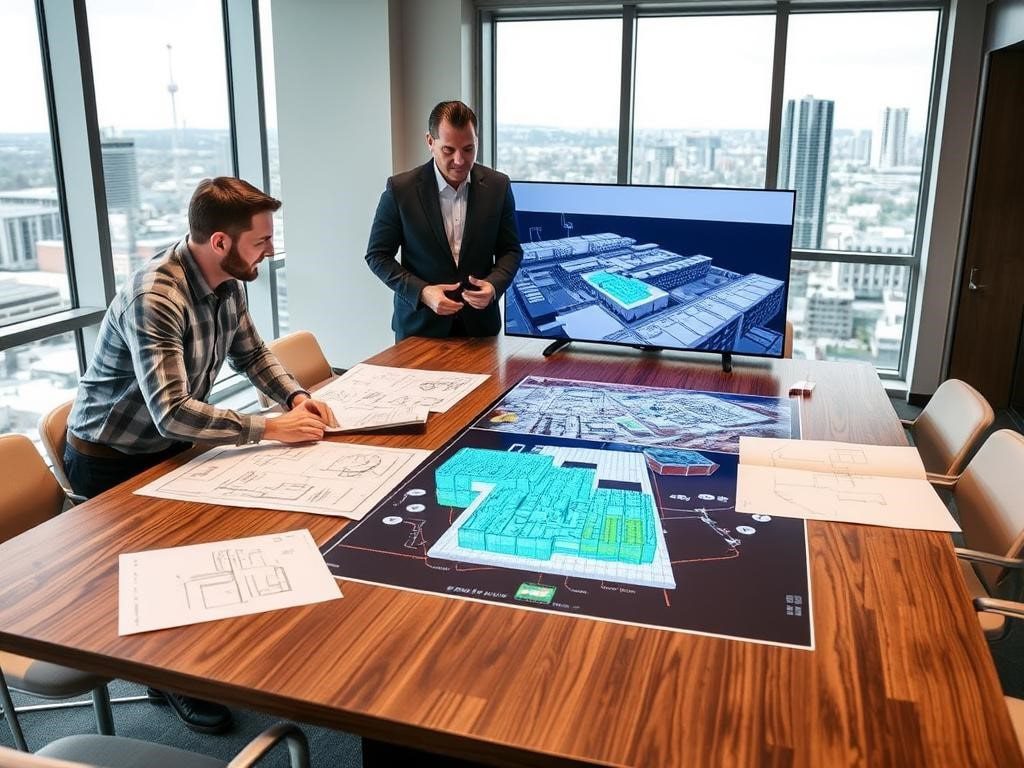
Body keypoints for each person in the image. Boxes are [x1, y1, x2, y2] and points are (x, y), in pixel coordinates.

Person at [65, 177, 335, 734]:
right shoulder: (155, 298)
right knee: (167, 572)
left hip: (167, 447)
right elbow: (172, 411)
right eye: (261, 241)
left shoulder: (228, 280)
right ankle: (170, 679)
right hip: (111, 460)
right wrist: (269, 427)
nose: (270, 250)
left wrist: (296, 396)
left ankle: (209, 657)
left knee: (217, 541)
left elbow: (252, 354)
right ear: (220, 242)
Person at [365, 100, 523, 340]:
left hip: (480, 330)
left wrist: (493, 286)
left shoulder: (498, 186)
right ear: (430, 142)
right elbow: (377, 256)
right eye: (449, 150)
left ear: (477, 142)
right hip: (419, 330)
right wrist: (423, 292)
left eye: (468, 149)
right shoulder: (400, 190)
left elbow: (511, 251)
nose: (459, 160)